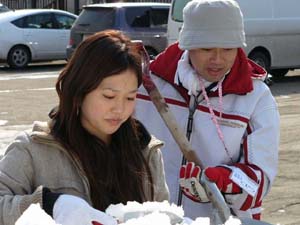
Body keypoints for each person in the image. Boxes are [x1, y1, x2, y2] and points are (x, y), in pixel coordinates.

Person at [0, 30, 169, 225]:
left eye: (130, 97)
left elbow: (163, 215)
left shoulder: (146, 151)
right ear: (79, 91)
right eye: (109, 96)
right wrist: (49, 204)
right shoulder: (33, 149)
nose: (120, 109)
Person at [134, 0, 280, 221]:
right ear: (187, 43)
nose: (218, 59)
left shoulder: (255, 98)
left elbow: (260, 181)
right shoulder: (147, 86)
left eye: (228, 49)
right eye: (206, 48)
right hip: (150, 217)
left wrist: (224, 181)